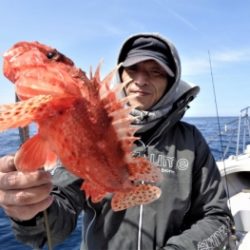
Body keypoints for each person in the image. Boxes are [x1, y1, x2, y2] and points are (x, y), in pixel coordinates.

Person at [0, 33, 236, 250]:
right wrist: (31, 209)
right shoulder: (91, 128)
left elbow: (219, 218)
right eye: (133, 69)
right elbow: (59, 213)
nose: (141, 80)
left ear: (171, 82)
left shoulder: (191, 141)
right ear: (121, 74)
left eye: (156, 72)